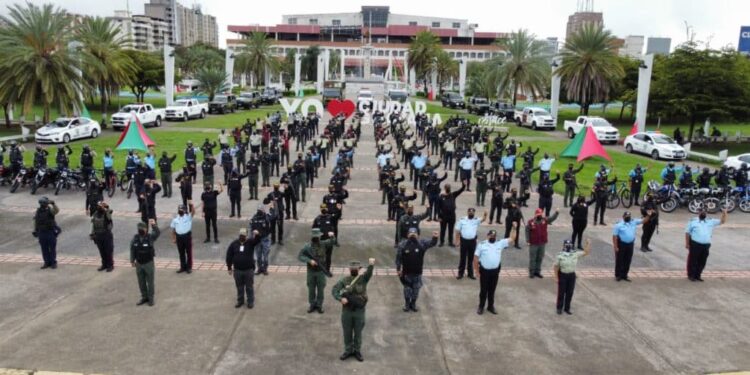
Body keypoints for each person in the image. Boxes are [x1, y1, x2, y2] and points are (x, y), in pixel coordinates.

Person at [332, 258, 376, 362]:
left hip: (359, 311)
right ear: (349, 269)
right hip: (347, 311)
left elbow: (369, 273)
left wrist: (371, 264)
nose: (353, 270)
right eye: (352, 268)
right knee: (347, 332)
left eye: (355, 268)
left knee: (358, 332)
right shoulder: (344, 280)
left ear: (359, 269)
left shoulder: (363, 279)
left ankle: (357, 350)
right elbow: (334, 290)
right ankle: (348, 350)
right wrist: (340, 298)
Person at [473, 228, 516, 315]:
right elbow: (475, 258)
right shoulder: (482, 245)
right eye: (491, 236)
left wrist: (514, 228)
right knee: (483, 290)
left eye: (494, 236)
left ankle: (490, 306)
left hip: (495, 272)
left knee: (492, 290)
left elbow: (512, 238)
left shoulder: (500, 243)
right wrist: (477, 271)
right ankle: (481, 306)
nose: (493, 237)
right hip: (484, 272)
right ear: (487, 236)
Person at [395, 229, 438, 312]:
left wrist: (435, 237)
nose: (413, 234)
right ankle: (407, 304)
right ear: (407, 235)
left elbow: (432, 243)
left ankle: (413, 304)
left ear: (418, 235)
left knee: (416, 290)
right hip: (406, 273)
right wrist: (398, 269)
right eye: (411, 233)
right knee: (407, 289)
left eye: (414, 233)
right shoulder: (402, 244)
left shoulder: (421, 243)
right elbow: (398, 258)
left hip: (417, 273)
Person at [298, 228, 336, 313]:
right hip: (311, 272)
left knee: (320, 289)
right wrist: (309, 260)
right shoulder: (307, 247)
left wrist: (332, 236)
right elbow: (300, 256)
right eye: (315, 237)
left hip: (320, 271)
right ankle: (312, 304)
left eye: (317, 236)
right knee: (311, 289)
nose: (316, 238)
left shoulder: (323, 244)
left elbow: (332, 242)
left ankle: (319, 305)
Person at [685, 209, 728, 281]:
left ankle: (698, 275)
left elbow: (722, 221)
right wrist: (687, 243)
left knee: (702, 261)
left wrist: (724, 214)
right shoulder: (692, 221)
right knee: (693, 260)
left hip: (706, 245)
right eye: (701, 211)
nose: (703, 213)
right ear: (698, 212)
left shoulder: (710, 221)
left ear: (706, 213)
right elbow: (687, 233)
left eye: (705, 212)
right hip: (695, 244)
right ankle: (691, 275)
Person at [226, 228, 264, 308]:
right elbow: (229, 256)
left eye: (244, 235)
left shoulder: (250, 242)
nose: (242, 237)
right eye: (241, 235)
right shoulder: (234, 244)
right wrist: (229, 267)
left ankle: (250, 301)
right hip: (237, 270)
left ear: (246, 235)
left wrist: (257, 234)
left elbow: (258, 240)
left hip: (248, 270)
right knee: (239, 287)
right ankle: (240, 301)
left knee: (249, 287)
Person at [612, 210, 654, 282]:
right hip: (621, 244)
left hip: (630, 244)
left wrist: (648, 215)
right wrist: (616, 246)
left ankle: (624, 275)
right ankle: (618, 275)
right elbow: (614, 236)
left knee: (628, 259)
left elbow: (643, 221)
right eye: (626, 217)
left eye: (629, 216)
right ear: (623, 217)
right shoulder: (618, 225)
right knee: (620, 260)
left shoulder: (633, 222)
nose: (628, 218)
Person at [553, 239, 591, 315]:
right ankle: (559, 308)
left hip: (571, 276)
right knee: (561, 292)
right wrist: (556, 277)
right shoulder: (560, 255)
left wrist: (588, 244)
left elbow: (586, 252)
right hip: (563, 275)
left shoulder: (575, 254)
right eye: (567, 245)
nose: (568, 247)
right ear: (563, 246)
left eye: (570, 245)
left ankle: (567, 308)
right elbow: (556, 267)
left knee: (570, 292)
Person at [130, 219, 160, 306]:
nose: (140, 230)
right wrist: (132, 260)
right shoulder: (135, 238)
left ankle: (151, 299)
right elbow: (132, 249)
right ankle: (144, 297)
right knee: (141, 282)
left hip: (148, 263)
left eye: (142, 228)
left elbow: (157, 233)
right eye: (139, 228)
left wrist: (154, 225)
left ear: (146, 229)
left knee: (150, 282)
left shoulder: (150, 237)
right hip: (139, 263)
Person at [525, 208, 560, 279]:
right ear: (535, 214)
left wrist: (556, 212)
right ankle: (532, 272)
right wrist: (528, 240)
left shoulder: (545, 220)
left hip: (542, 243)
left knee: (540, 257)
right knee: (533, 258)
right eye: (538, 214)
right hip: (533, 243)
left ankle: (537, 272)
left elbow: (552, 218)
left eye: (540, 214)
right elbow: (527, 231)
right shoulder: (530, 222)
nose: (539, 216)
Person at [454, 208, 488, 280]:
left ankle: (470, 274)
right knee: (462, 258)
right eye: (470, 212)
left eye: (472, 212)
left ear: (474, 213)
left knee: (471, 258)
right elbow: (457, 231)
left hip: (472, 242)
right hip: (464, 241)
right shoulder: (462, 220)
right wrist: (457, 241)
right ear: (467, 212)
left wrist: (485, 214)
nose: (471, 213)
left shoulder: (476, 220)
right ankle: (460, 273)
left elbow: (483, 219)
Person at [33, 197, 60, 270]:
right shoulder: (38, 211)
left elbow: (56, 211)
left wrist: (53, 204)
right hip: (41, 232)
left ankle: (53, 262)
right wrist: (35, 230)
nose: (42, 205)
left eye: (43, 203)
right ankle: (46, 262)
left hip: (50, 231)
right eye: (41, 204)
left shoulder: (50, 210)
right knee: (44, 249)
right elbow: (36, 221)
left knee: (52, 248)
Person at [436, 183, 465, 247]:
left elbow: (460, 190)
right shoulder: (441, 196)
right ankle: (441, 242)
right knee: (443, 229)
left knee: (451, 229)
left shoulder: (453, 195)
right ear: (445, 188)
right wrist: (439, 216)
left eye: (449, 187)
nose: (448, 188)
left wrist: (464, 185)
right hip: (443, 216)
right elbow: (438, 208)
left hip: (452, 216)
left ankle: (450, 242)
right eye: (447, 187)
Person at [170, 202, 195, 274]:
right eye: (179, 209)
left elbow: (193, 212)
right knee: (181, 253)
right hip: (179, 237)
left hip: (187, 236)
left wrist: (192, 205)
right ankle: (182, 267)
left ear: (184, 210)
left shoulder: (188, 217)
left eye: (182, 209)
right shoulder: (175, 219)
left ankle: (189, 267)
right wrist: (174, 238)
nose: (180, 210)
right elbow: (173, 230)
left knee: (189, 253)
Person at [89, 201, 114, 272]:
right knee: (102, 251)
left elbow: (109, 215)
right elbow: (92, 225)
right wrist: (91, 234)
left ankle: (110, 265)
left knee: (108, 251)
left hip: (106, 234)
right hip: (98, 235)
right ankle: (104, 264)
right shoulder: (95, 214)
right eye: (99, 206)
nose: (99, 207)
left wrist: (106, 207)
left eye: (101, 206)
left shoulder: (107, 213)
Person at [249, 204, 272, 275]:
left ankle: (265, 269)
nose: (260, 211)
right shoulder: (254, 218)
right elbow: (251, 228)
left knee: (265, 256)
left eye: (261, 210)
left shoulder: (266, 218)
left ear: (263, 210)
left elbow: (268, 230)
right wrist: (253, 233)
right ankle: (259, 268)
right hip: (257, 240)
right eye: (259, 210)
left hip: (265, 239)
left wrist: (260, 233)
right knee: (258, 256)